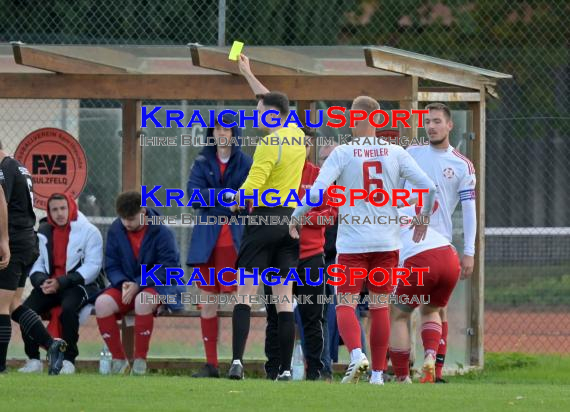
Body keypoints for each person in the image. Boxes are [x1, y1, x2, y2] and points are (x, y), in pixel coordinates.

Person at [289, 96, 436, 385]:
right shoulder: (395, 152)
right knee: (381, 307)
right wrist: (424, 218)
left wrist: (296, 215)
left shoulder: (343, 152)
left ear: (358, 118)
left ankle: (357, 355)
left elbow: (318, 192)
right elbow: (428, 187)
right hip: (387, 243)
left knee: (345, 303)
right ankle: (379, 375)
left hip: (353, 245)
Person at [227, 54, 306, 381]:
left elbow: (253, 185)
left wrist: (234, 201)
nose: (257, 116)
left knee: (244, 293)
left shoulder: (267, 144)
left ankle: (237, 362)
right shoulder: (298, 135)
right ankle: (286, 370)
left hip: (261, 222)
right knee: (284, 301)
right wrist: (248, 73)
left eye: (260, 113)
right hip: (288, 222)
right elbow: (275, 100)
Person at [402, 102, 477, 382]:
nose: (431, 126)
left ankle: (432, 370)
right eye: (427, 122)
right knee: (412, 308)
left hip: (438, 244)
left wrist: (469, 251)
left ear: (449, 125)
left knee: (432, 308)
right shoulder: (411, 154)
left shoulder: (461, 165)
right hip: (407, 241)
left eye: (437, 121)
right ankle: (417, 365)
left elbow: (469, 211)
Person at [263, 129, 337, 381]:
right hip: (278, 257)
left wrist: (303, 218)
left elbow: (331, 213)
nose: (302, 147)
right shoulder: (274, 174)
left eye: (306, 143)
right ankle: (273, 369)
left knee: (313, 317)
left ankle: (316, 371)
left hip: (310, 256)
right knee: (275, 316)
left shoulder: (320, 176)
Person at [186, 113, 252, 378]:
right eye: (217, 129)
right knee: (208, 303)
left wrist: (218, 198)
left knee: (239, 301)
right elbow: (193, 195)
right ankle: (211, 364)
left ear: (234, 133)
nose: (222, 134)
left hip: (235, 242)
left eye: (227, 129)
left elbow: (249, 195)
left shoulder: (246, 162)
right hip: (207, 243)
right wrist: (226, 197)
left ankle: (237, 362)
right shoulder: (202, 162)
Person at [95, 191, 185, 376]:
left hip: (161, 284)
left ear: (143, 211)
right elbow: (111, 264)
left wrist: (139, 283)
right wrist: (123, 283)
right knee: (101, 304)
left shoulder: (162, 231)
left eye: (132, 218)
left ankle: (139, 362)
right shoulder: (115, 229)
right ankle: (120, 362)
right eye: (123, 219)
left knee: (142, 300)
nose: (127, 223)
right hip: (128, 284)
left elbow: (168, 267)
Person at [17, 192, 103, 374]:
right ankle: (33, 360)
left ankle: (69, 361)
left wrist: (62, 282)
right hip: (50, 285)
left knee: (68, 310)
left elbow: (92, 267)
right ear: (49, 212)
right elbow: (37, 262)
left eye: (63, 208)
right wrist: (41, 281)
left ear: (71, 207)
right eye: (54, 209)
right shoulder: (44, 231)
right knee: (25, 310)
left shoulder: (89, 231)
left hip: (78, 285)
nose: (59, 213)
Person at [0, 143, 67, 375]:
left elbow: (1, 204)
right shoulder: (18, 167)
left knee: (0, 305)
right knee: (13, 304)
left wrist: (3, 241)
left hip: (14, 242)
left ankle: (0, 367)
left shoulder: (3, 168)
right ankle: (52, 345)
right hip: (27, 241)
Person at [389, 204, 461, 383]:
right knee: (431, 311)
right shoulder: (405, 210)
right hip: (449, 254)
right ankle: (430, 356)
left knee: (398, 316)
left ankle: (402, 376)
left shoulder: (374, 220)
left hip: (419, 258)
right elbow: (433, 204)